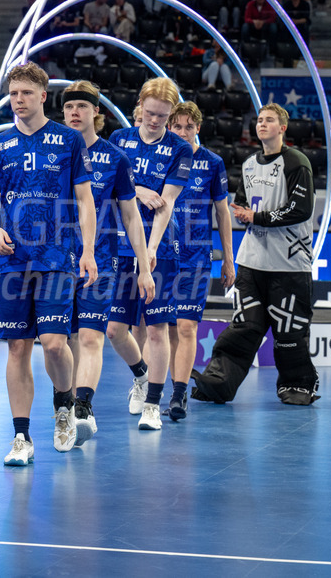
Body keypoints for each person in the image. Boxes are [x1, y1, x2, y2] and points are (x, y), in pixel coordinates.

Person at [0, 62, 97, 465]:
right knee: (17, 346)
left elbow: (85, 200)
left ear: (42, 96)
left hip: (57, 256)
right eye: (13, 93)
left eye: (26, 93)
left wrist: (87, 250)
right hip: (13, 260)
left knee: (53, 343)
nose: (18, 100)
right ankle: (21, 437)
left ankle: (64, 406)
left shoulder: (68, 140)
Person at [192, 104, 320, 406]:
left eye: (269, 120)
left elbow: (301, 211)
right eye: (259, 120)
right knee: (243, 327)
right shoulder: (249, 164)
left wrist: (257, 217)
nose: (262, 124)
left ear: (283, 128)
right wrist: (244, 215)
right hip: (251, 262)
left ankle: (300, 385)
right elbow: (241, 205)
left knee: (289, 331)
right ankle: (218, 383)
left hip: (289, 265)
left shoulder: (297, 163)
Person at [61, 80, 154, 447]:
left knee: (93, 336)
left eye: (82, 106)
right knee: (63, 340)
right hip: (55, 260)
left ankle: (83, 406)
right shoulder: (52, 150)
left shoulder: (114, 157)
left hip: (101, 259)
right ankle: (140, 373)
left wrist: (144, 267)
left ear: (96, 112)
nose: (74, 112)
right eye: (69, 106)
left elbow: (131, 218)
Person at [105, 78, 193, 431]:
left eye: (163, 116)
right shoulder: (118, 140)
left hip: (159, 251)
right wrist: (138, 189)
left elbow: (167, 202)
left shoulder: (179, 150)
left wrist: (151, 251)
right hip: (120, 247)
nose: (155, 121)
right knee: (113, 330)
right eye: (151, 113)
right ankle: (140, 375)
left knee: (157, 329)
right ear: (140, 106)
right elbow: (112, 191)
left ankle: (154, 404)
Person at [166, 101, 234, 421]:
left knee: (187, 326)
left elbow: (222, 213)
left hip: (196, 257)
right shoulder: (160, 159)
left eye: (188, 126)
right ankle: (154, 386)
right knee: (165, 329)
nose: (182, 132)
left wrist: (229, 261)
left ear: (198, 128)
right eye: (176, 126)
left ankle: (179, 395)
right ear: (168, 128)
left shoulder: (212, 163)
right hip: (163, 255)